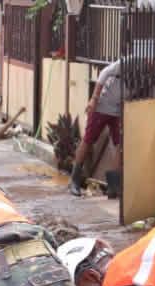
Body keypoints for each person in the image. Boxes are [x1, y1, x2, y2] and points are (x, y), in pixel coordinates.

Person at [68, 59, 122, 196]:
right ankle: (74, 181)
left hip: (119, 109)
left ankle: (113, 187)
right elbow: (104, 72)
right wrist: (94, 98)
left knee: (119, 145)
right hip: (101, 106)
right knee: (88, 140)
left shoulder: (150, 72)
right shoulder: (128, 62)